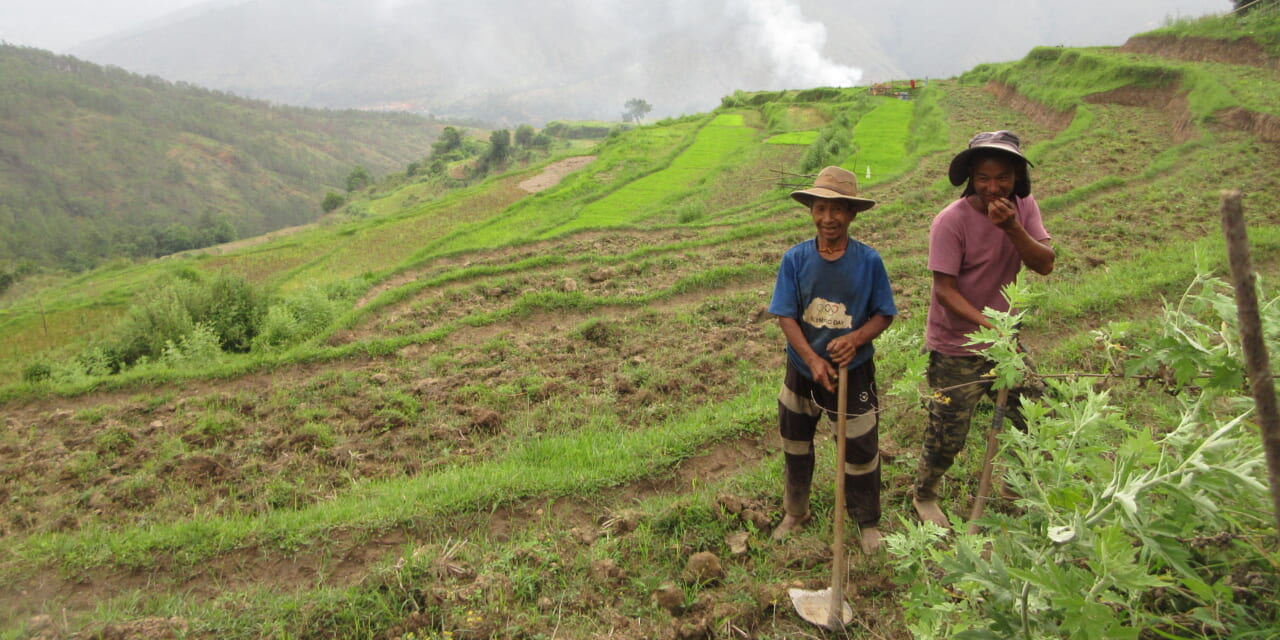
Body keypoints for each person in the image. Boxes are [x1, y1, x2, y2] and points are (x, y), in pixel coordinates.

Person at [912, 130, 1055, 530]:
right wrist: (991, 326)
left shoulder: (1024, 208)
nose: (994, 188)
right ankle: (924, 493)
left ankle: (1014, 482)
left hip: (1004, 344)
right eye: (983, 179)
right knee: (947, 433)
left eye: (1003, 178)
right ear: (970, 179)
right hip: (955, 346)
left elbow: (1044, 263)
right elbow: (944, 291)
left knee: (1038, 415)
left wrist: (1012, 228)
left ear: (1017, 178)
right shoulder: (951, 221)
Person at [767, 166, 897, 554]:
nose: (829, 218)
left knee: (860, 449)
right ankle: (796, 511)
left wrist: (855, 339)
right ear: (811, 211)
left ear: (852, 214)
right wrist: (811, 358)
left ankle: (866, 520)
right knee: (795, 442)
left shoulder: (868, 261)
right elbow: (785, 315)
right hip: (802, 369)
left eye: (838, 209)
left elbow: (884, 313)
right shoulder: (795, 259)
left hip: (852, 372)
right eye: (821, 208)